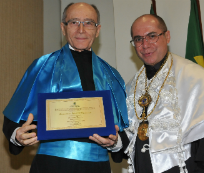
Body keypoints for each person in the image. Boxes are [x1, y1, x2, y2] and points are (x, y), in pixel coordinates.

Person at [2, 2, 128, 173]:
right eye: (74, 22)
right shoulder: (43, 66)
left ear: (98, 30)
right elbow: (12, 120)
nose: (81, 30)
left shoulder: (112, 75)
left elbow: (125, 131)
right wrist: (18, 135)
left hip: (99, 168)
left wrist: (116, 143)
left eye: (89, 23)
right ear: (63, 28)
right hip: (51, 166)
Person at [122, 14, 204, 173]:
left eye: (152, 36)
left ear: (167, 36)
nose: (145, 44)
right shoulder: (132, 86)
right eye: (138, 39)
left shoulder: (197, 80)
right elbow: (130, 138)